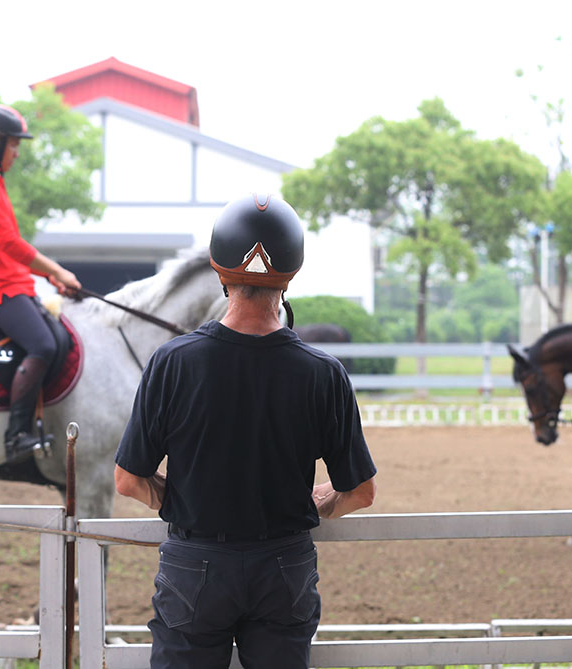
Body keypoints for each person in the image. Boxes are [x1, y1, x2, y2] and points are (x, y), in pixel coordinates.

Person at [114, 193, 377, 669]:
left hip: (194, 566)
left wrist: (183, 501)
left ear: (220, 271)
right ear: (291, 275)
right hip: (283, 568)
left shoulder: (172, 363)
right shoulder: (323, 373)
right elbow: (360, 492)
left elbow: (129, 480)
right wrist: (319, 503)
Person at [0, 104, 82, 464]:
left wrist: (49, 276)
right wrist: (56, 270)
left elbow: (12, 248)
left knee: (59, 339)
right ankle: (16, 437)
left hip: (16, 285)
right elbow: (8, 244)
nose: (16, 152)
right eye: (13, 144)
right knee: (42, 344)